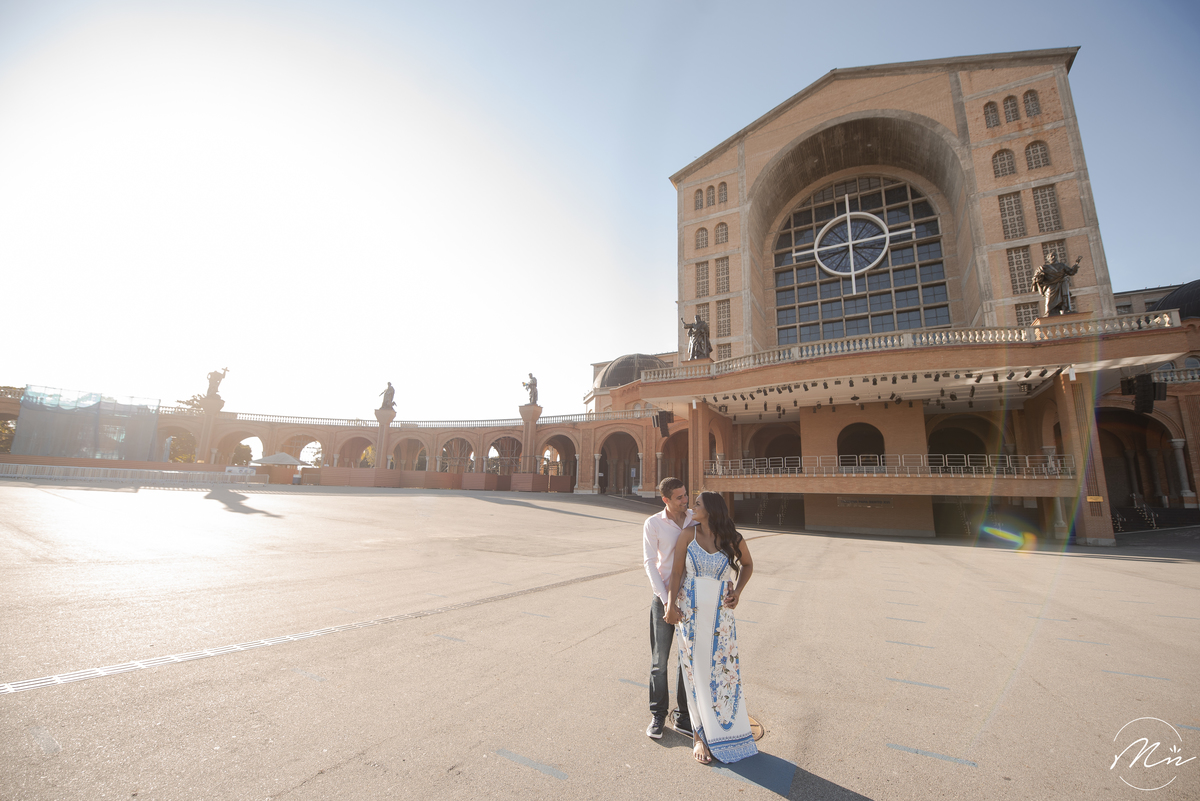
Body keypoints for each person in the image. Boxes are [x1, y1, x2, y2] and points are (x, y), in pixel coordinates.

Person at [664, 491, 757, 765]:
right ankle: (699, 736)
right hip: (690, 614)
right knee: (694, 673)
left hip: (721, 617)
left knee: (721, 672)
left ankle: (730, 729)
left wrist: (738, 591)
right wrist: (670, 606)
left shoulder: (732, 538)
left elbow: (748, 565)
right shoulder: (687, 536)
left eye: (698, 504)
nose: (692, 507)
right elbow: (677, 573)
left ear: (711, 509)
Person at [642, 477, 694, 740]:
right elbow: (650, 563)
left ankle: (683, 715)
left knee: (686, 661)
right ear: (666, 500)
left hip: (691, 600)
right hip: (663, 598)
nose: (685, 501)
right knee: (659, 661)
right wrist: (665, 601)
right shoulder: (653, 524)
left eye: (686, 495)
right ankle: (658, 714)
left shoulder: (695, 518)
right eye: (679, 498)